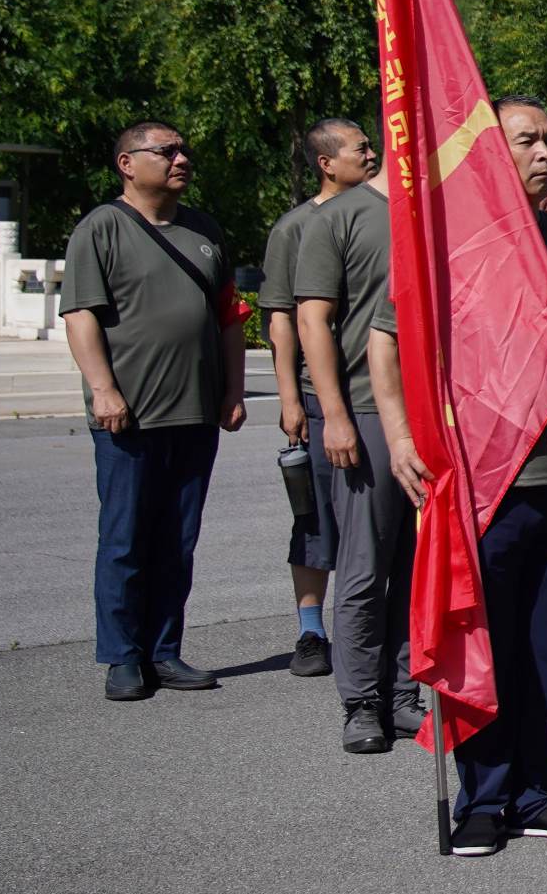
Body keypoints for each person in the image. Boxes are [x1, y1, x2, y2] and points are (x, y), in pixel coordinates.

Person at [379, 101, 547, 856]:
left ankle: (536, 790)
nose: (546, 152)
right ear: (490, 152)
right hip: (483, 485)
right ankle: (482, 799)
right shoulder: (450, 244)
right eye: (528, 140)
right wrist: (396, 438)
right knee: (486, 646)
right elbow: (386, 348)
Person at [63, 119, 248, 701]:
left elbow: (228, 319)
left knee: (178, 541)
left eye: (184, 149)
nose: (181, 158)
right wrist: (102, 388)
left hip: (194, 413)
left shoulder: (204, 230)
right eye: (166, 151)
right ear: (127, 163)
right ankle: (123, 657)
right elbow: (80, 316)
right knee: (125, 539)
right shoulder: (102, 228)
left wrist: (233, 390)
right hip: (130, 415)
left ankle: (165, 650)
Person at [297, 120, 419, 752]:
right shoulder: (338, 217)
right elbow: (312, 318)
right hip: (367, 414)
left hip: (433, 421)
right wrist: (334, 414)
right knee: (366, 568)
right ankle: (361, 701)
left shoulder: (437, 213)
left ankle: (402, 693)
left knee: (417, 569)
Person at [258, 119, 363, 677]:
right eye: (360, 148)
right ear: (326, 162)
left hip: (375, 394)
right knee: (315, 517)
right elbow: (281, 319)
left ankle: (367, 629)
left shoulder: (387, 218)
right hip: (319, 398)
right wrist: (289, 398)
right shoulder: (297, 227)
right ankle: (310, 630)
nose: (371, 154)